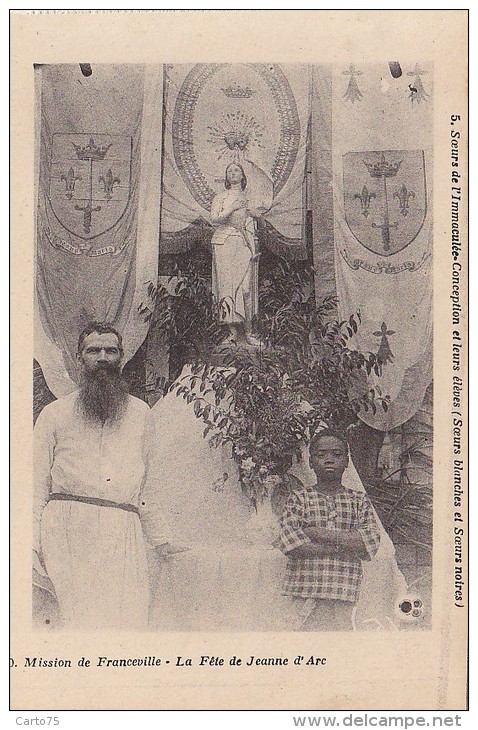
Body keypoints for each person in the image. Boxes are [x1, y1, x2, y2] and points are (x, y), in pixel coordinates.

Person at [33, 322, 173, 630]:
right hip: (66, 533)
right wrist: (29, 545)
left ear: (121, 358)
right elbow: (33, 488)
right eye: (93, 350)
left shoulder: (141, 415)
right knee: (74, 624)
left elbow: (150, 488)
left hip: (122, 535)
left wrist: (163, 542)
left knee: (124, 624)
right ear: (80, 358)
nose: (102, 357)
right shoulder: (54, 414)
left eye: (111, 350)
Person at [278, 430, 381, 631]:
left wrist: (316, 533)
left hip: (344, 593)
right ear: (310, 462)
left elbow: (368, 542)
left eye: (336, 454)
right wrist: (346, 546)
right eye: (321, 454)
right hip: (304, 595)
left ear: (346, 461)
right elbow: (291, 544)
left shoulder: (358, 500)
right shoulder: (299, 498)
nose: (329, 460)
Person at [210, 162, 262, 346]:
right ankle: (231, 333)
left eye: (236, 170)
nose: (233, 173)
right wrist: (232, 208)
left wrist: (251, 211)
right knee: (227, 288)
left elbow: (258, 217)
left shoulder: (250, 198)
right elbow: (214, 219)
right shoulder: (221, 197)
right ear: (226, 177)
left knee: (246, 289)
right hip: (224, 243)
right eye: (229, 170)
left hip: (244, 244)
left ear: (242, 176)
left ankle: (249, 332)